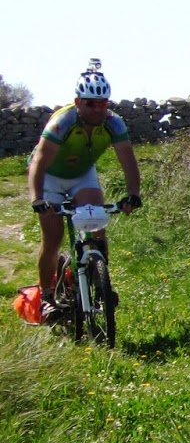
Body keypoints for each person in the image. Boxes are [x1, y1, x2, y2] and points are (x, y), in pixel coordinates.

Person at [27, 63, 142, 318]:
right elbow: (39, 163)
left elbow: (129, 162)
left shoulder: (114, 123)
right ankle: (47, 297)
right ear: (78, 101)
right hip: (50, 177)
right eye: (91, 103)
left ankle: (101, 283)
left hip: (82, 175)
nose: (98, 109)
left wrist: (133, 194)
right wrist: (37, 199)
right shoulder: (62, 122)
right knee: (53, 238)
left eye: (103, 103)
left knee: (96, 225)